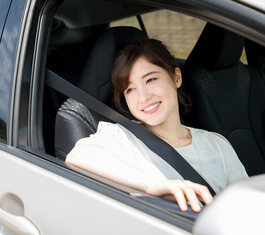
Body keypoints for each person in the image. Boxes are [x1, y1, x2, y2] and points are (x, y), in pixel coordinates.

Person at [65, 38, 248, 212]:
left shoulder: (217, 145)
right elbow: (77, 156)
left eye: (151, 80)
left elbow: (248, 210)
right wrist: (153, 185)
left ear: (176, 77)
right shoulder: (123, 138)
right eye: (130, 89)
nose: (143, 97)